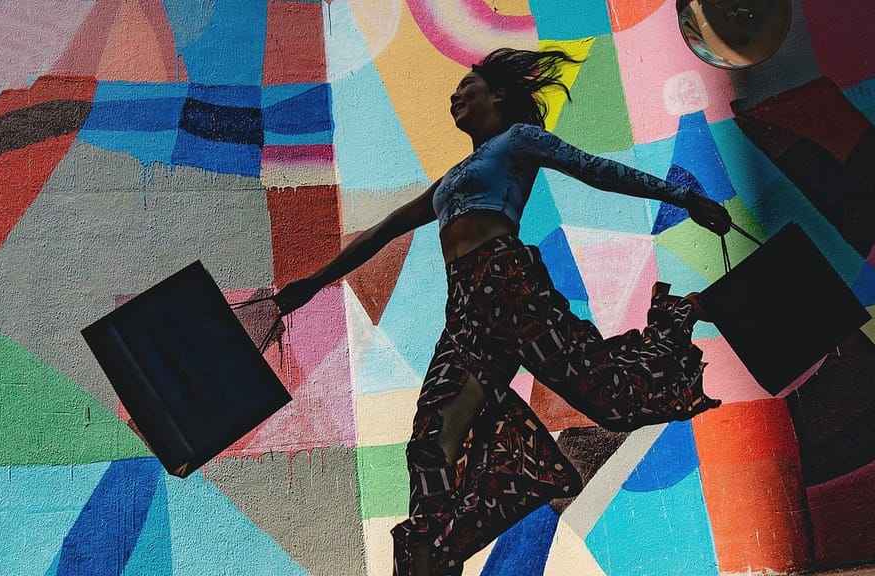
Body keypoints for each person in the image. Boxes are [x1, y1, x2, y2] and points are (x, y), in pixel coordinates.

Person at [273, 48, 731, 576]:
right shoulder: (446, 182)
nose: (454, 97)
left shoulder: (516, 142)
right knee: (430, 441)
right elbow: (381, 233)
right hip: (465, 309)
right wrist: (312, 283)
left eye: (465, 87)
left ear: (498, 96)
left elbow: (594, 170)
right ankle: (431, 561)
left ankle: (677, 315)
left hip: (509, 286)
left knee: (609, 398)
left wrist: (683, 197)